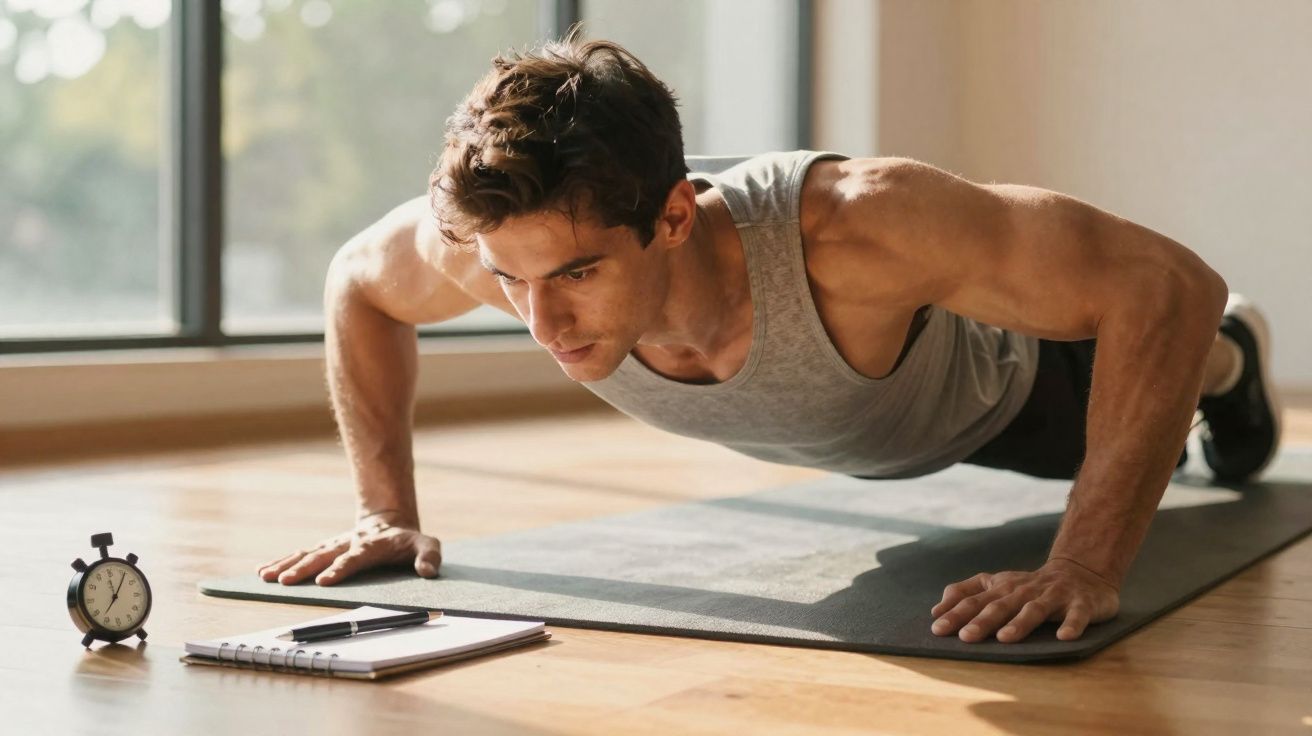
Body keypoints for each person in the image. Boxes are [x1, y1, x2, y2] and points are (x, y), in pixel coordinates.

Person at [256, 31, 1282, 645]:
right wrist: (381, 510)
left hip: (1021, 396)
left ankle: (1232, 360)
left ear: (670, 214)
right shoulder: (489, 245)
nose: (542, 321)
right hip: (862, 429)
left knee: (1179, 341)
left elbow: (1164, 281)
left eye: (575, 273)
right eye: (510, 280)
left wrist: (1086, 564)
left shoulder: (854, 225)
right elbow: (358, 283)